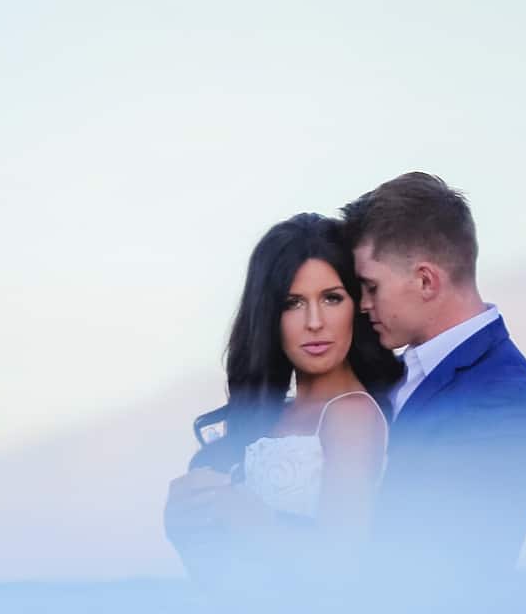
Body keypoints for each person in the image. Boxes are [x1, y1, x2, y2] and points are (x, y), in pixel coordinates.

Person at [163, 214, 403, 582]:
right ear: (269, 316)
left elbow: (342, 568)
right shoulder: (277, 414)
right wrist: (184, 527)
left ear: (356, 305)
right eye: (292, 303)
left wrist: (249, 519)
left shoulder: (350, 413)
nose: (314, 321)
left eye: (332, 298)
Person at [341, 172, 526, 575]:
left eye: (371, 287)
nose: (363, 305)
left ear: (425, 280)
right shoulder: (397, 370)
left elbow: (439, 561)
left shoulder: (504, 403)